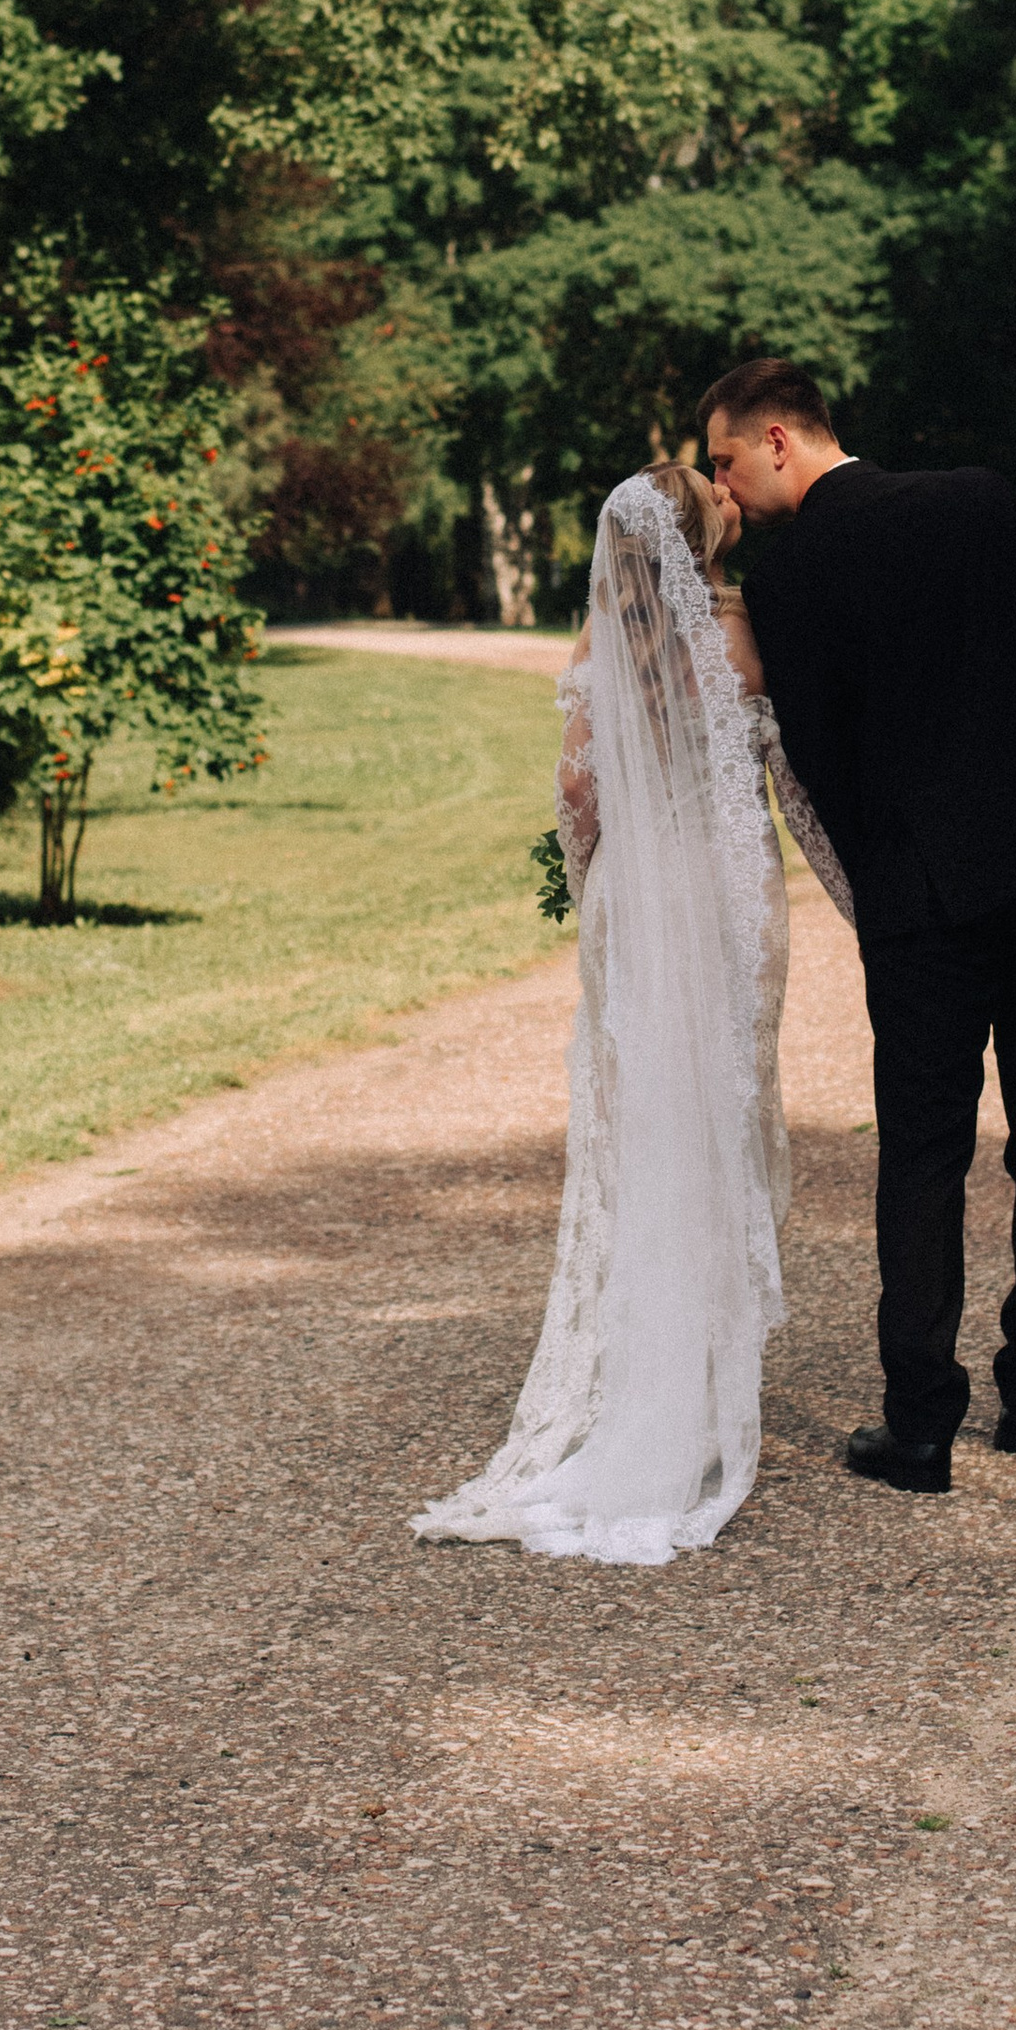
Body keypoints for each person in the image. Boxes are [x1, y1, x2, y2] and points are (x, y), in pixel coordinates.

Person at [701, 357, 1016, 1495]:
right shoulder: (980, 497)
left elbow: (820, 751)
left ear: (776, 439)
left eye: (723, 460)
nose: (722, 488)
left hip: (921, 902)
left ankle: (918, 1426)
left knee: (923, 1152)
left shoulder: (788, 572)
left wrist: (879, 883)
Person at [414, 462, 851, 1567]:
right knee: (723, 1122)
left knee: (635, 1131)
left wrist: (585, 880)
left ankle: (641, 1389)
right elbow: (791, 788)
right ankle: (706, 1397)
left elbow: (577, 793)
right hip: (730, 904)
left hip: (636, 901)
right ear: (704, 540)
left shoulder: (601, 641)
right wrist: (853, 896)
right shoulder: (747, 636)